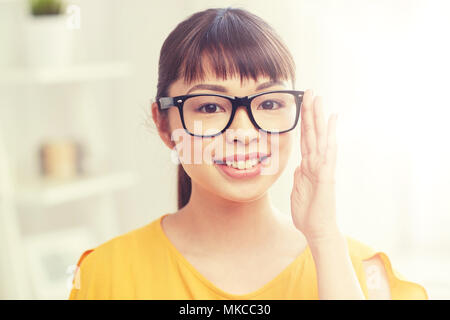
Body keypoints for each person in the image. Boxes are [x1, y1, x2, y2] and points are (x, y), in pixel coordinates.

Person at [69, 7, 428, 300]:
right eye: (209, 107)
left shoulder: (365, 274)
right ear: (164, 125)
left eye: (269, 102)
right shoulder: (106, 274)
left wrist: (324, 238)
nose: (243, 132)